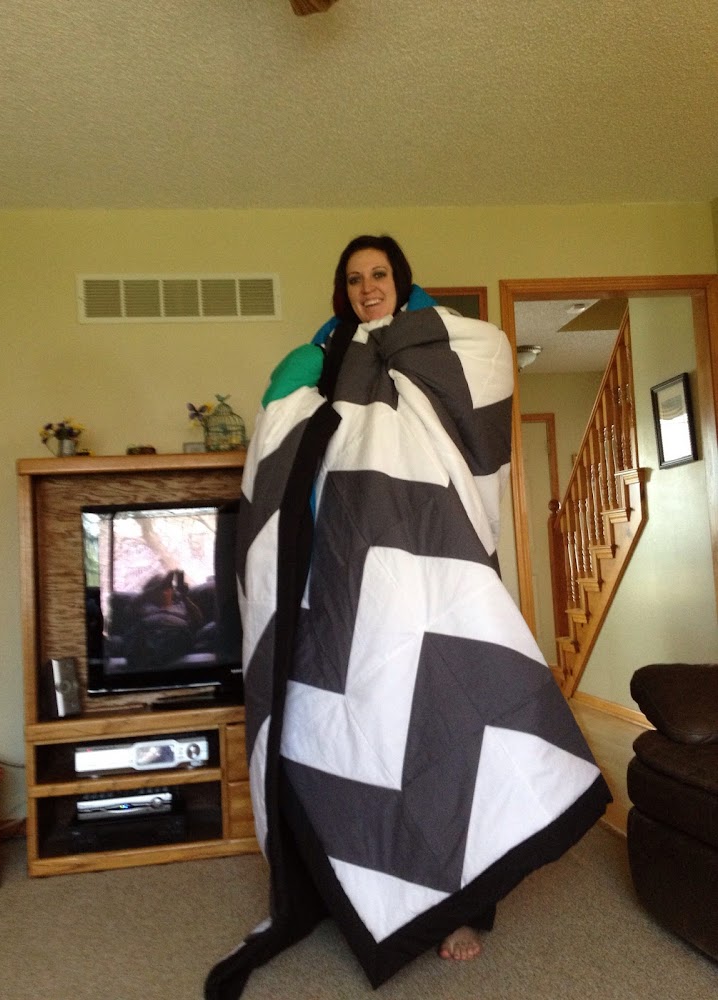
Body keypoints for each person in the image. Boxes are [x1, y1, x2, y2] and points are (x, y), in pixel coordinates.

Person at [205, 235, 611, 998]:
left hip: (431, 578)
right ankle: (365, 892)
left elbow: (487, 374)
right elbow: (283, 452)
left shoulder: (440, 340)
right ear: (341, 289)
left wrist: (389, 353)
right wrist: (326, 377)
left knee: (455, 719)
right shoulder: (318, 359)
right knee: (351, 731)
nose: (368, 287)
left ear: (400, 280)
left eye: (380, 274)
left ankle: (464, 910)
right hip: (344, 592)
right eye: (355, 278)